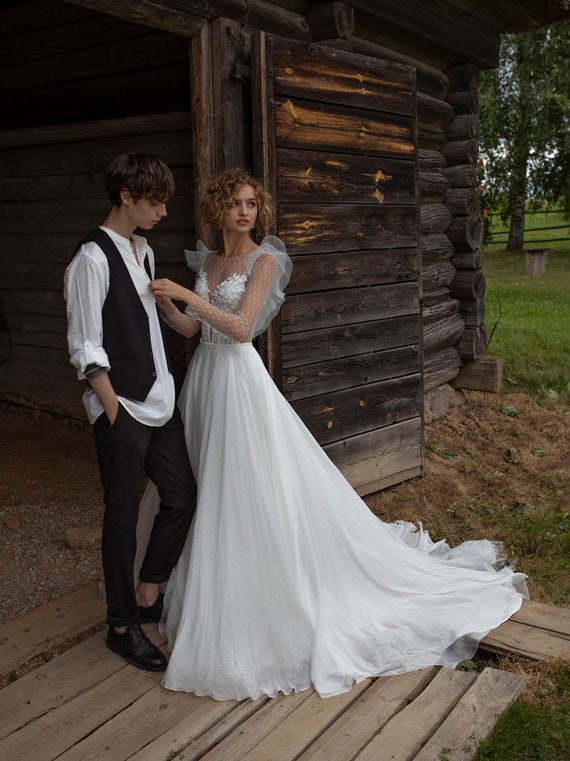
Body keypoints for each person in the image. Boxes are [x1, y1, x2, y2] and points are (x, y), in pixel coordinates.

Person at [139, 168, 528, 700]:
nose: (245, 212)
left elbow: (241, 328)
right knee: (203, 482)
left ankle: (261, 594)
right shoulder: (209, 261)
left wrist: (188, 293)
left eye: (252, 203)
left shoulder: (264, 260)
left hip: (239, 381)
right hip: (204, 381)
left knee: (245, 486)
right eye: (235, 203)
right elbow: (196, 331)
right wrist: (167, 306)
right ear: (217, 208)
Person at [64, 153, 197, 672]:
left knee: (181, 496)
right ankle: (121, 626)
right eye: (155, 201)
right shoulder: (91, 258)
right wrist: (113, 408)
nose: (163, 211)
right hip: (121, 408)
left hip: (159, 399)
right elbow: (85, 344)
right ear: (126, 196)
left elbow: (145, 329)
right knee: (120, 519)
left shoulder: (145, 251)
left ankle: (148, 592)